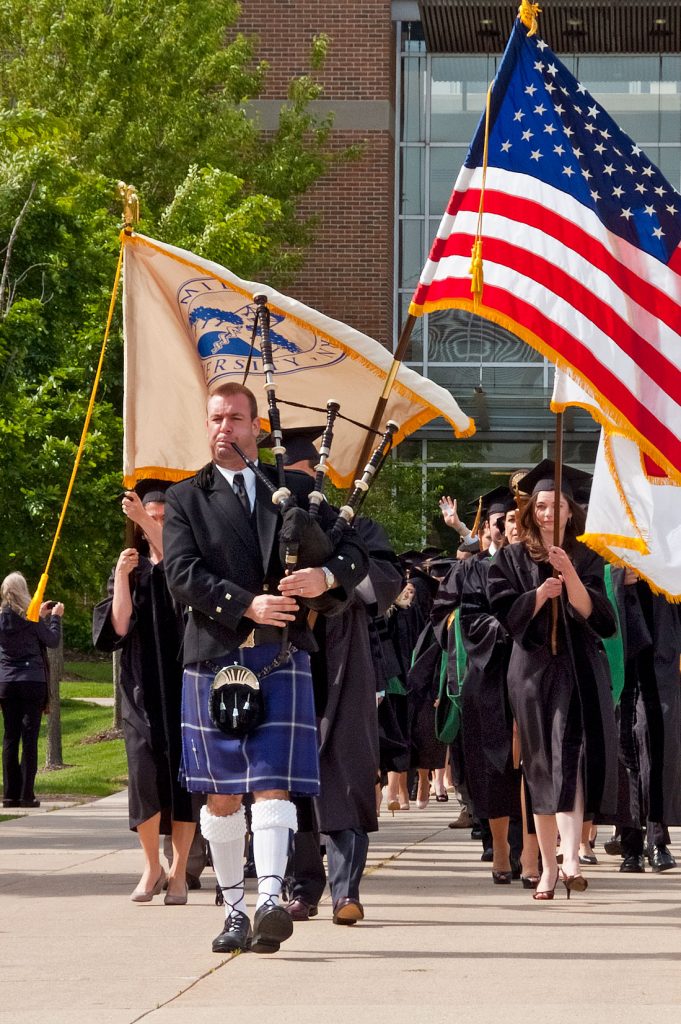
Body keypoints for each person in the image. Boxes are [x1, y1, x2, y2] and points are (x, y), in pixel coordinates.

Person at [162, 382, 368, 955]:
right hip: (214, 653)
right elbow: (181, 573)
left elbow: (356, 552)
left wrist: (323, 579)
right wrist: (246, 604)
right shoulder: (185, 499)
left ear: (257, 428)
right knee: (223, 793)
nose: (223, 428)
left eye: (234, 418)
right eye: (215, 418)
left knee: (271, 783)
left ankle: (272, 898)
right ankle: (233, 910)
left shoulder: (296, 491)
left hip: (279, 655)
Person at [280, 430, 403, 926]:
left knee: (347, 776)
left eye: (303, 474)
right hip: (287, 662)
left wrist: (334, 566)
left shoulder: (357, 526)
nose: (294, 483)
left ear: (319, 473)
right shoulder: (268, 525)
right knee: (291, 781)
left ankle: (345, 890)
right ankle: (301, 888)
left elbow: (385, 585)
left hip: (344, 665)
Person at [488, 460, 619, 901]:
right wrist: (539, 594)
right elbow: (507, 618)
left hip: (576, 668)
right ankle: (546, 867)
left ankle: (571, 857)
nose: (547, 513)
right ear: (531, 510)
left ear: (569, 511)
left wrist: (571, 574)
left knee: (569, 754)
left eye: (556, 505)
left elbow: (599, 618)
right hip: (530, 670)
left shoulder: (586, 554)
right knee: (539, 765)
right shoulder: (509, 558)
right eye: (541, 505)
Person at [93, 485, 196, 905]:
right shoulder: (132, 569)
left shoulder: (185, 565)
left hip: (185, 684)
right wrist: (120, 576)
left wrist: (144, 521)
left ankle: (179, 871)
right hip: (140, 688)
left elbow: (180, 575)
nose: (155, 522)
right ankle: (152, 865)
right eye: (149, 516)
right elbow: (118, 628)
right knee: (144, 778)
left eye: (162, 518)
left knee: (184, 781)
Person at [0, 572, 63, 808]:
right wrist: (54, 618)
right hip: (32, 681)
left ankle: (10, 795)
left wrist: (41, 614)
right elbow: (52, 640)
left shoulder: (2, 618)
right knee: (29, 738)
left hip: (7, 682)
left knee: (10, 737)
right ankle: (27, 794)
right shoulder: (32, 618)